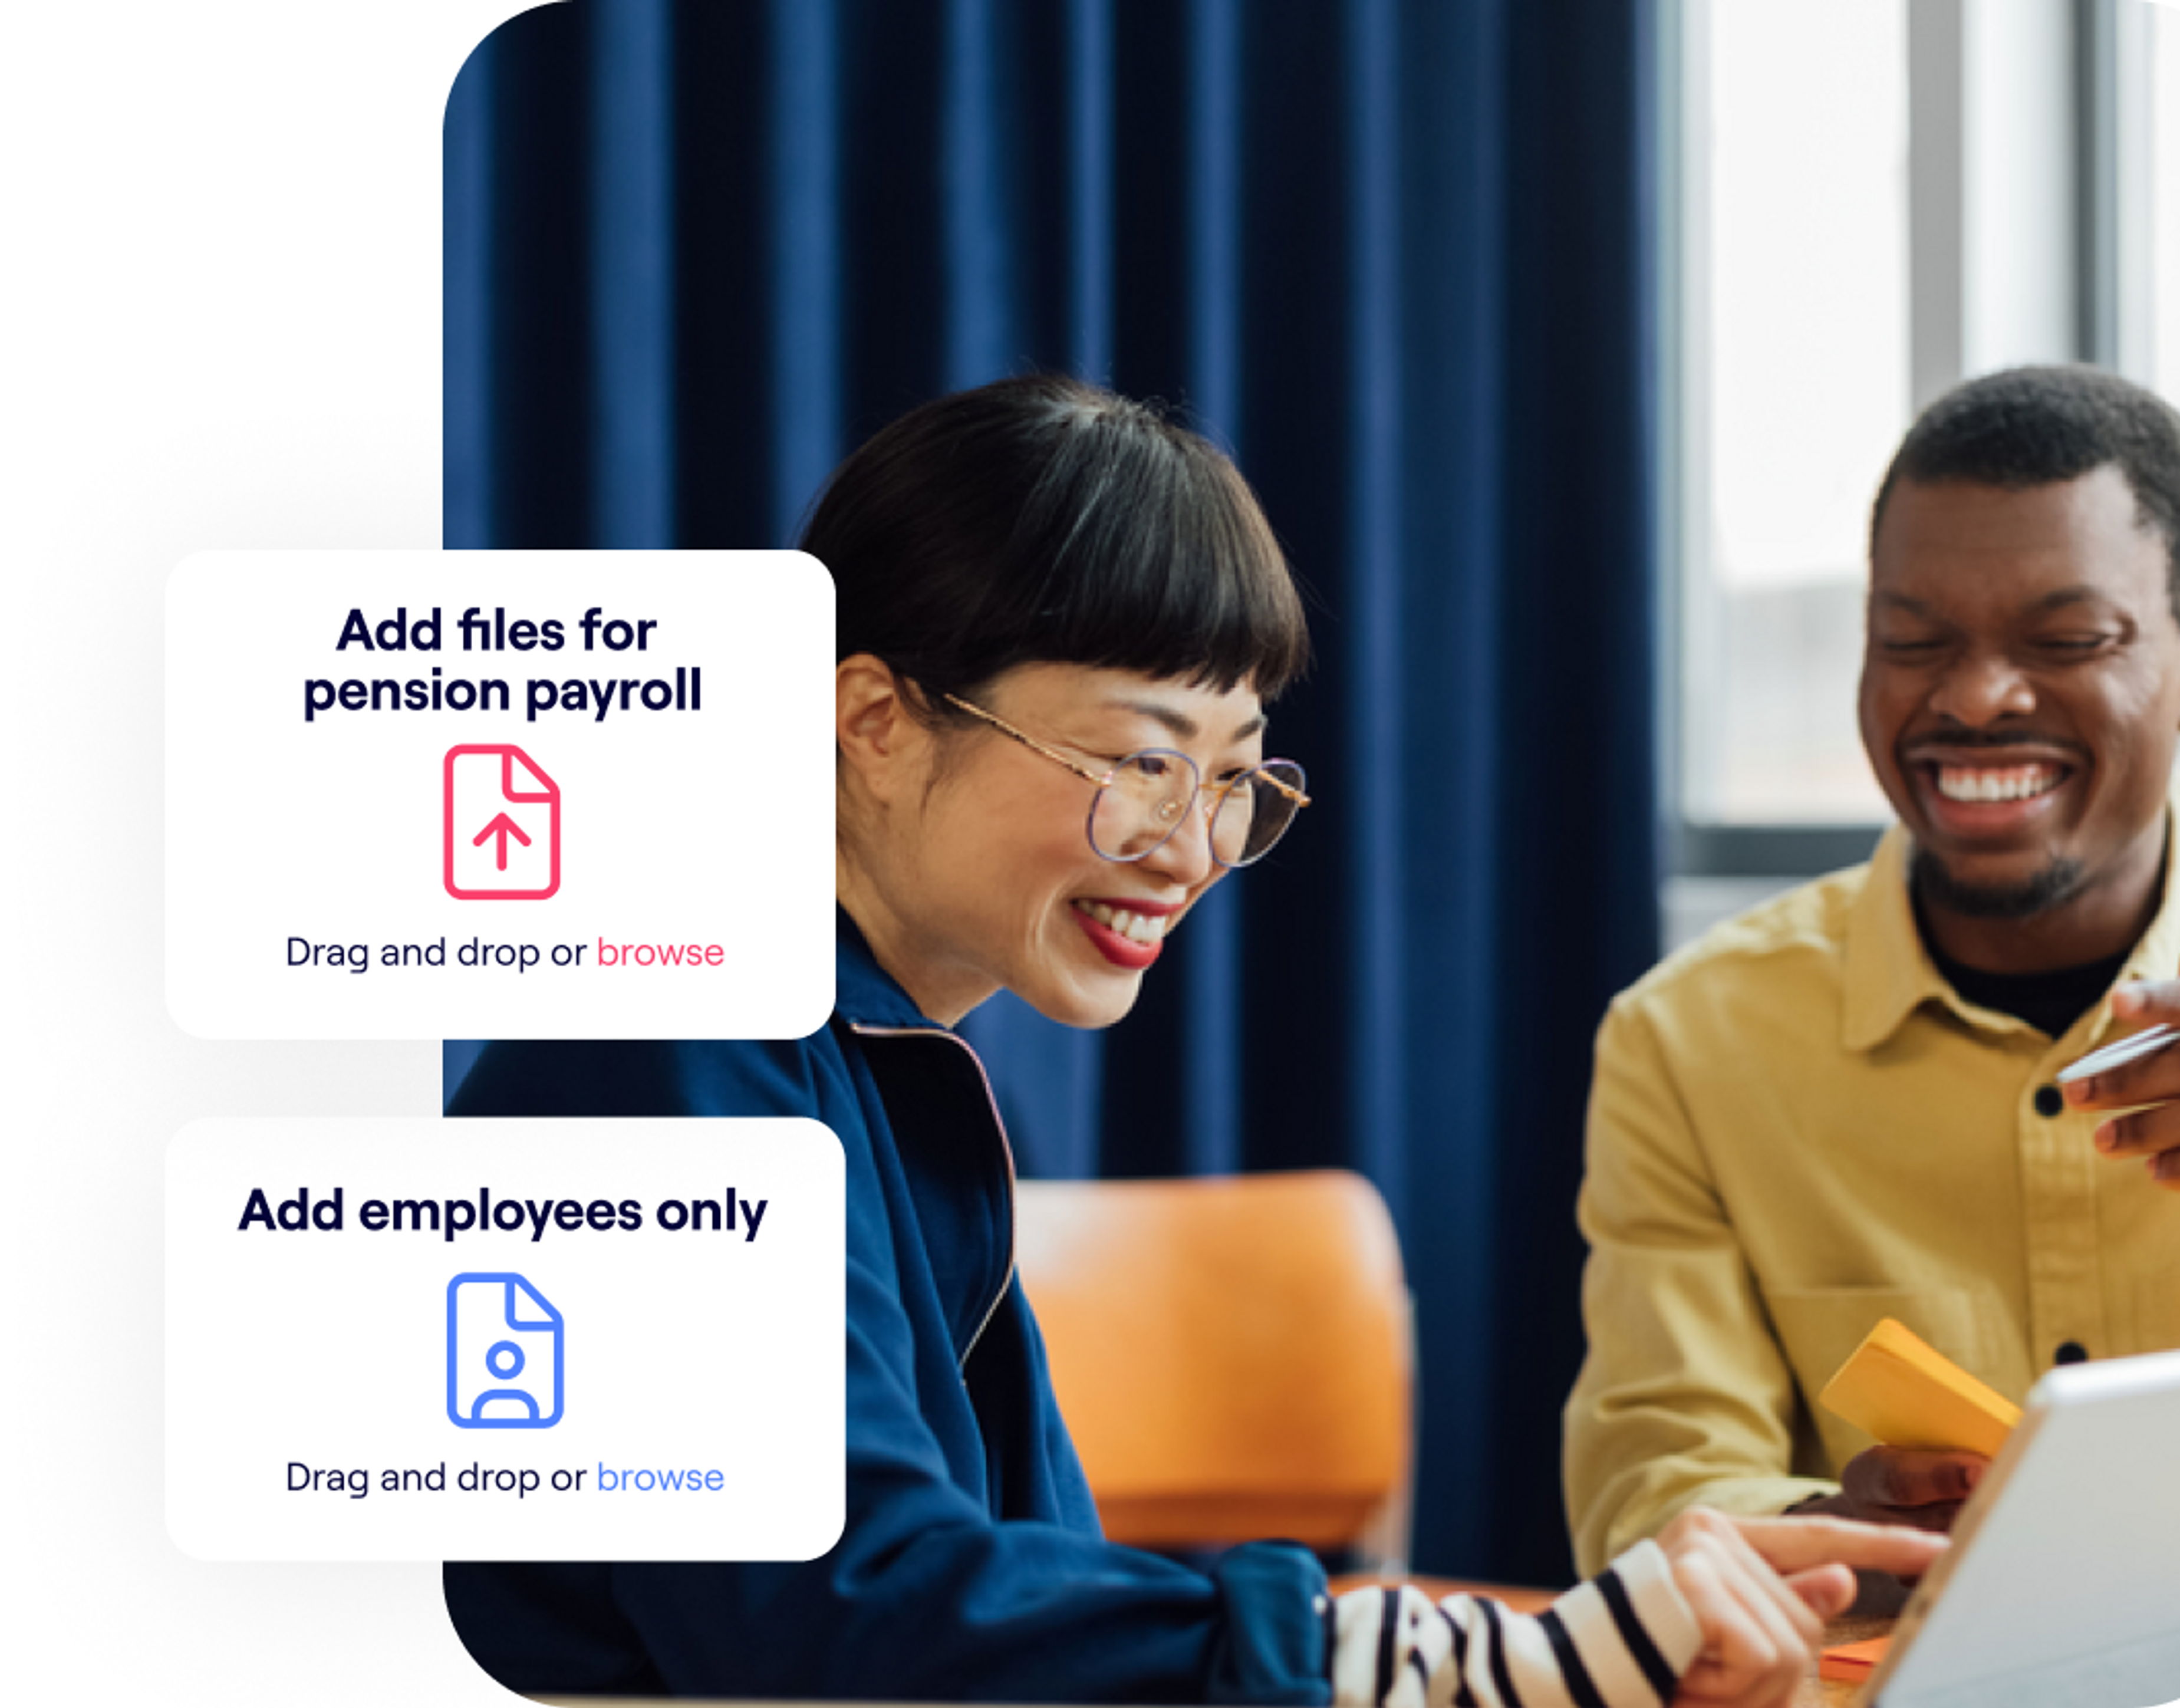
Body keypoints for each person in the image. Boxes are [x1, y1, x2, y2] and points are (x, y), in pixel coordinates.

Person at [444, 374, 1938, 1704]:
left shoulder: (876, 1063)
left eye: (1234, 780)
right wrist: (1442, 1660)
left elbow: (1024, 1593)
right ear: (876, 720)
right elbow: (842, 1608)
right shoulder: (653, 1056)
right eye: (1143, 760)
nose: (1192, 847)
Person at [1565, 365, 2180, 1584]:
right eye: (1912, 640)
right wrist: (1840, 1526)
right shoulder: (1691, 1040)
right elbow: (1653, 1492)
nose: (1977, 695)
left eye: (2064, 640)